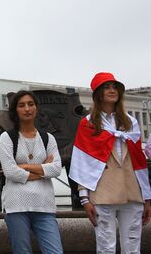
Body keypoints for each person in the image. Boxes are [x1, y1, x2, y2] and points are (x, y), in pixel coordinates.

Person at [69, 72, 151, 253]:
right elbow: (82, 163)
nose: (112, 90)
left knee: (133, 247)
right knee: (106, 247)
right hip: (102, 191)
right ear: (98, 93)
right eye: (107, 87)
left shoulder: (131, 122)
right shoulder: (88, 123)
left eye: (115, 87)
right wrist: (84, 199)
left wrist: (147, 198)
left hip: (132, 191)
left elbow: (139, 161)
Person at [0, 90, 63, 254]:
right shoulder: (7, 138)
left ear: (36, 108)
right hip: (16, 205)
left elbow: (56, 168)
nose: (27, 108)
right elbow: (10, 172)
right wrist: (42, 170)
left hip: (44, 205)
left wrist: (25, 167)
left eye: (31, 104)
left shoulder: (48, 138)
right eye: (22, 105)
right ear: (15, 110)